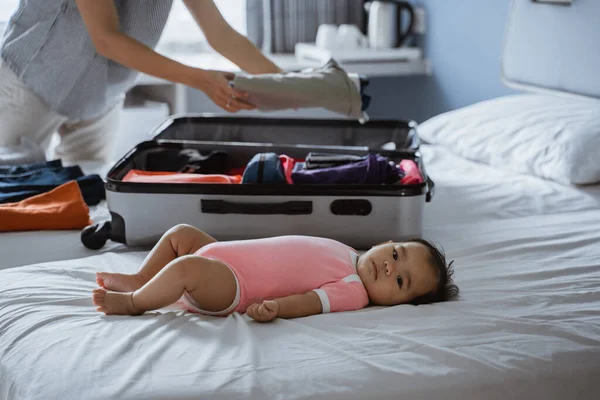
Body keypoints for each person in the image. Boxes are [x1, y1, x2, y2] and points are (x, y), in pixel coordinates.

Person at [0, 0, 281, 163]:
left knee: (85, 199)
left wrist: (294, 85)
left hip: (102, 91)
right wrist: (201, 79)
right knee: (13, 199)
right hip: (31, 80)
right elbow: (106, 39)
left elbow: (220, 33)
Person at [92, 224, 459, 321]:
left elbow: (310, 302)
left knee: (186, 268)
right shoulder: (349, 253)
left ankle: (135, 302)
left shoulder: (354, 291)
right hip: (224, 255)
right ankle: (144, 278)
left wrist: (277, 309)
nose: (390, 266)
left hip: (234, 286)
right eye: (396, 254)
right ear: (388, 241)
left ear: (399, 303)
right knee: (181, 235)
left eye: (400, 281)